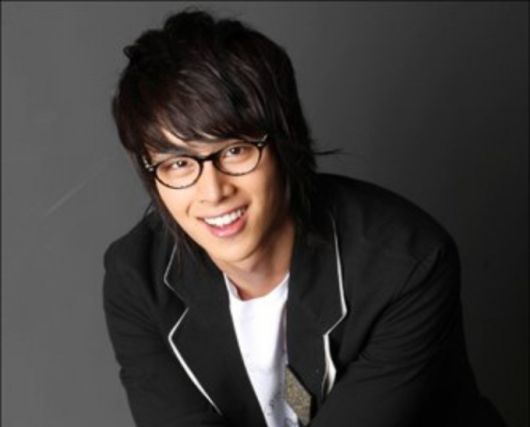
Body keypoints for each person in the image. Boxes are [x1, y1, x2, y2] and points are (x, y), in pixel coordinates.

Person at [103, 9, 506, 427]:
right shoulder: (138, 279)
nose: (213, 192)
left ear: (285, 143)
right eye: (178, 164)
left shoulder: (404, 265)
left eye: (235, 151)